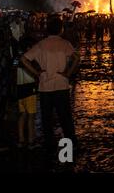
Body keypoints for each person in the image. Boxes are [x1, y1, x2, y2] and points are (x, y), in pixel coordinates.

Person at [20, 16, 80, 159]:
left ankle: (50, 149)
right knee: (65, 118)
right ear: (60, 30)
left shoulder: (41, 45)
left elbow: (23, 59)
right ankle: (68, 151)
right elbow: (77, 58)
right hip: (61, 85)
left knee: (47, 120)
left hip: (45, 87)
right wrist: (68, 73)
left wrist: (36, 73)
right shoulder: (65, 43)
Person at [16, 37, 39, 149]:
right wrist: (38, 74)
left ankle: (21, 140)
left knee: (22, 115)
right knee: (31, 116)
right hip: (29, 89)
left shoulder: (16, 59)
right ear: (29, 47)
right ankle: (31, 140)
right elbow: (34, 73)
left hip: (19, 89)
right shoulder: (29, 60)